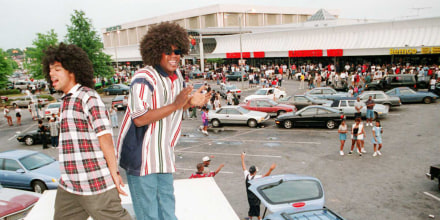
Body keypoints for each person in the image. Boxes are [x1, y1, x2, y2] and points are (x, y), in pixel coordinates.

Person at [116, 22, 209, 220]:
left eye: (178, 51)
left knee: (168, 211)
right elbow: (140, 118)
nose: (174, 56)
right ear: (156, 51)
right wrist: (177, 105)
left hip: (163, 156)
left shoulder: (177, 76)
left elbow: (175, 105)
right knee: (148, 215)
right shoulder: (143, 78)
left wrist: (191, 102)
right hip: (142, 158)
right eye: (168, 51)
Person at [42, 43, 131, 220]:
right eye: (50, 70)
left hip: (95, 184)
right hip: (70, 186)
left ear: (72, 70)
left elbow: (105, 137)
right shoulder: (66, 100)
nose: (52, 74)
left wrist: (114, 173)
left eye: (57, 69)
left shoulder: (88, 97)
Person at [241, 152, 276, 220]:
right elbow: (266, 176)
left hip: (249, 196)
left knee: (251, 207)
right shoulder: (256, 178)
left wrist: (242, 158)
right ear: (254, 172)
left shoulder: (246, 175)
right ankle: (259, 219)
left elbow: (244, 167)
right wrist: (270, 169)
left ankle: (250, 217)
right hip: (255, 197)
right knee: (256, 209)